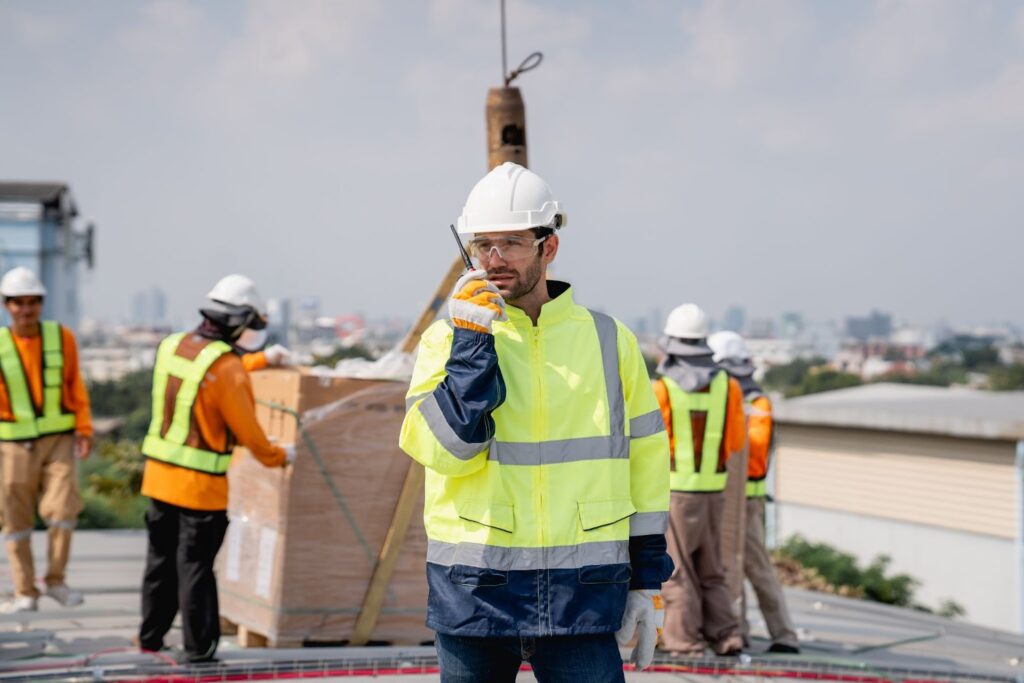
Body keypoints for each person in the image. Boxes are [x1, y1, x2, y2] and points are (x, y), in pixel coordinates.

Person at [400, 162, 673, 682]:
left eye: (511, 243)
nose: (494, 260)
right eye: (482, 246)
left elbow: (647, 467)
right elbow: (447, 450)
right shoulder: (445, 341)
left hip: (583, 594)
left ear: (549, 247)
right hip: (476, 593)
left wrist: (647, 581)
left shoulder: (610, 341)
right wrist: (471, 345)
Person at [137, 274, 294, 663]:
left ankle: (150, 639)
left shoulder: (171, 345)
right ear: (238, 321)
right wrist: (279, 456)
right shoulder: (228, 370)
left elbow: (201, 375)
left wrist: (258, 360)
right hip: (200, 489)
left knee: (160, 563)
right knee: (195, 568)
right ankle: (199, 650)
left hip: (158, 479)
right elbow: (249, 432)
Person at [653, 304, 745, 656]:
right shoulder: (729, 386)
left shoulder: (662, 389)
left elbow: (649, 444)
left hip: (677, 494)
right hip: (714, 492)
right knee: (712, 568)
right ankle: (726, 635)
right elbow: (735, 441)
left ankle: (684, 639)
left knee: (678, 570)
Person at [0, 267, 92, 613]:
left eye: (33, 302)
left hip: (58, 439)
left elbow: (75, 386)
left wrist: (84, 428)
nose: (26, 309)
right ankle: (25, 591)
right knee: (15, 518)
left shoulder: (61, 338)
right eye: (19, 303)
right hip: (12, 443)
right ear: (7, 305)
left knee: (63, 510)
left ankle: (55, 581)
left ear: (41, 303)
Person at [708, 331, 799, 654]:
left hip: (746, 498)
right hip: (727, 496)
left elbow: (752, 451)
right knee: (730, 563)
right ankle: (740, 630)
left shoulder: (754, 402)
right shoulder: (738, 399)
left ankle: (784, 635)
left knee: (754, 566)